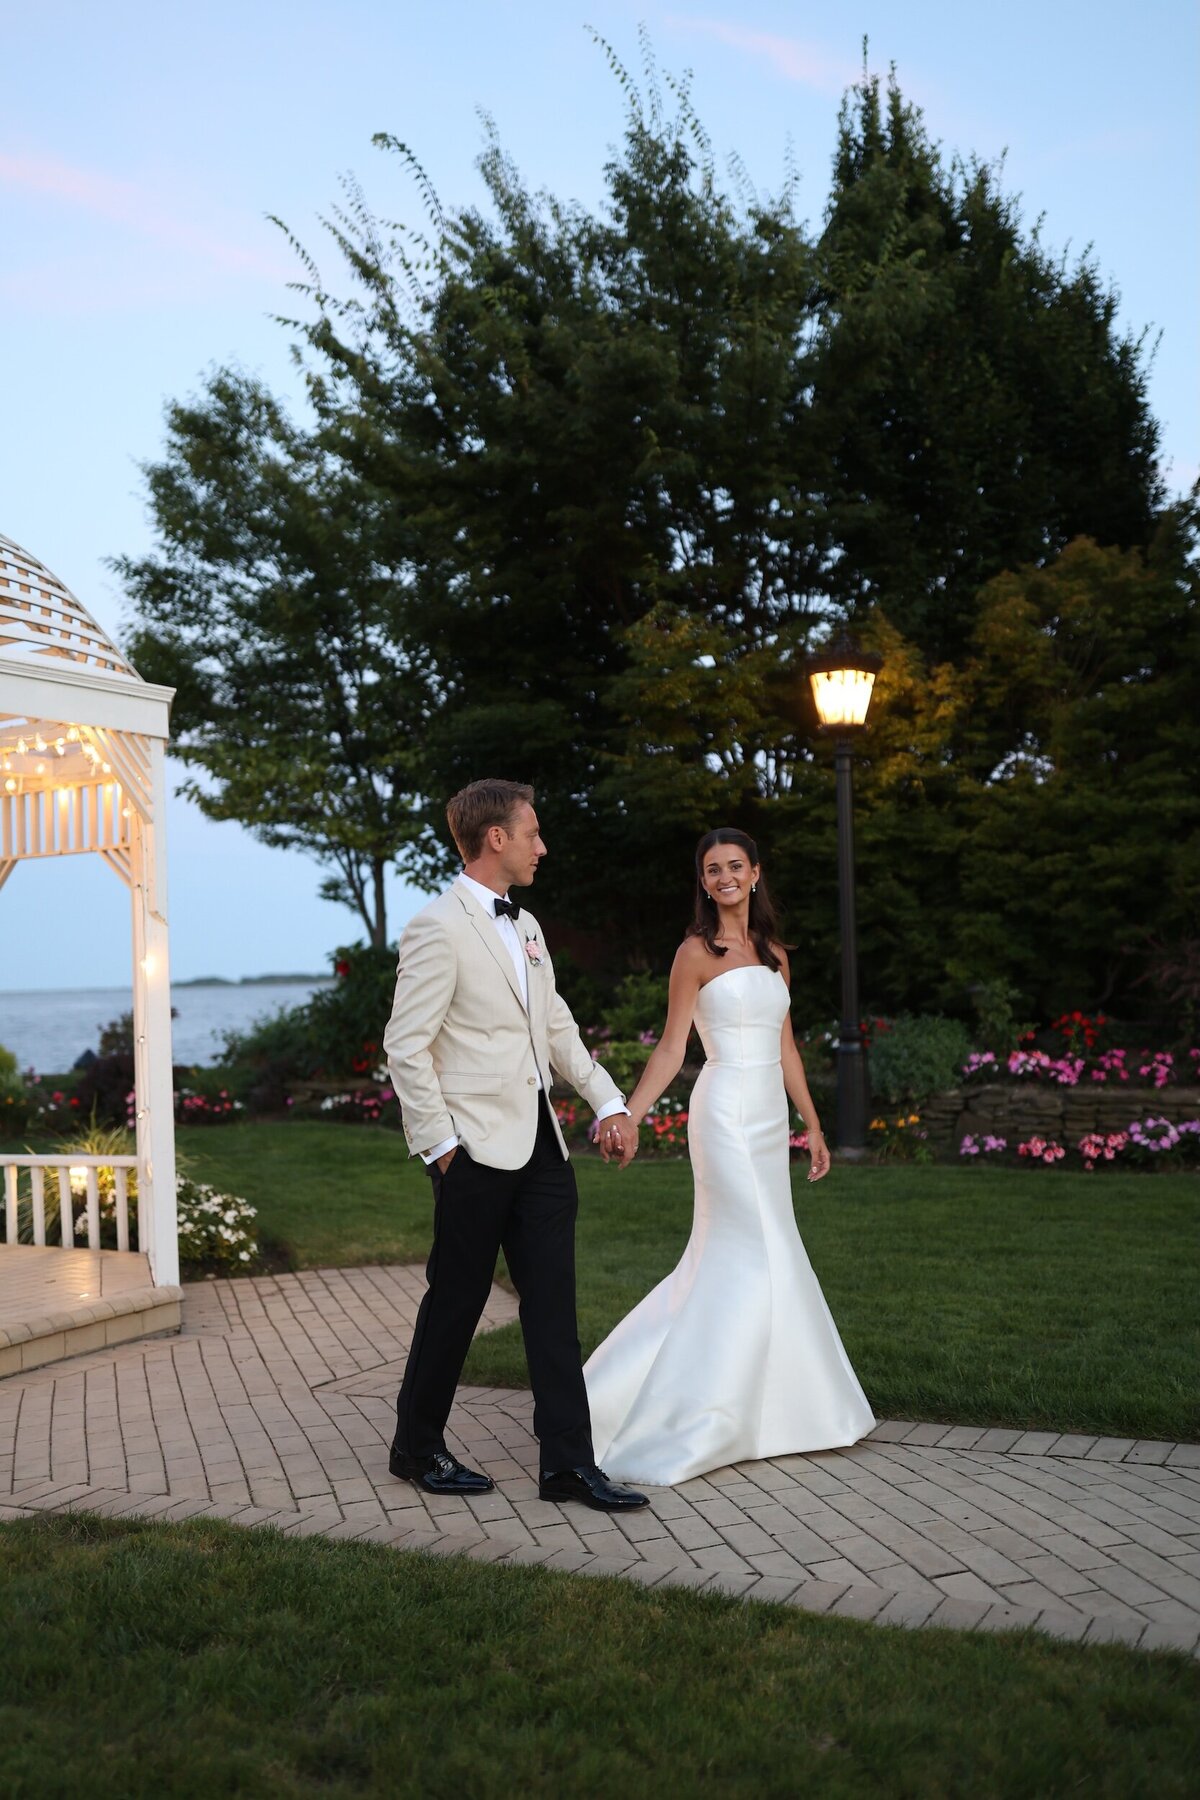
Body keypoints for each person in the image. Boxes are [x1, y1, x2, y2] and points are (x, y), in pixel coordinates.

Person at [383, 778, 649, 1513]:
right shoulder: (437, 926)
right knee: (458, 1302)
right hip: (470, 1153)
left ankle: (567, 1465)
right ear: (495, 838)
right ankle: (416, 1446)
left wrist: (608, 1102)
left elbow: (556, 1027)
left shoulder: (527, 928)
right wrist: (441, 1148)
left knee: (553, 1307)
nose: (542, 846)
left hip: (541, 1151)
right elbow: (406, 1046)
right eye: (532, 833)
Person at [583, 827, 875, 1485]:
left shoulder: (774, 953)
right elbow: (670, 1049)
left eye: (734, 867)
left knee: (761, 1249)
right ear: (704, 880)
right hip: (723, 1112)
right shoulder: (695, 953)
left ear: (755, 874)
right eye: (712, 869)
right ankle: (706, 1414)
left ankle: (777, 1410)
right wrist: (628, 1111)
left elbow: (789, 1047)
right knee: (752, 1249)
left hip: (770, 1116)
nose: (724, 878)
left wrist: (814, 1124)